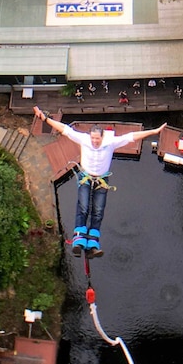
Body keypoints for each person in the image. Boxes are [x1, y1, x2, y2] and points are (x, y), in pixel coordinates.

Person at [33, 106, 166, 258]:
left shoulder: (110, 142)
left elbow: (132, 136)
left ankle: (93, 242)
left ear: (102, 137)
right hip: (86, 176)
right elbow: (64, 129)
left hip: (102, 179)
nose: (95, 141)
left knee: (98, 209)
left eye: (98, 138)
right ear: (89, 136)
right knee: (83, 206)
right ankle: (79, 237)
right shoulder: (84, 139)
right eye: (93, 138)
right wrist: (45, 119)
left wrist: (154, 132)